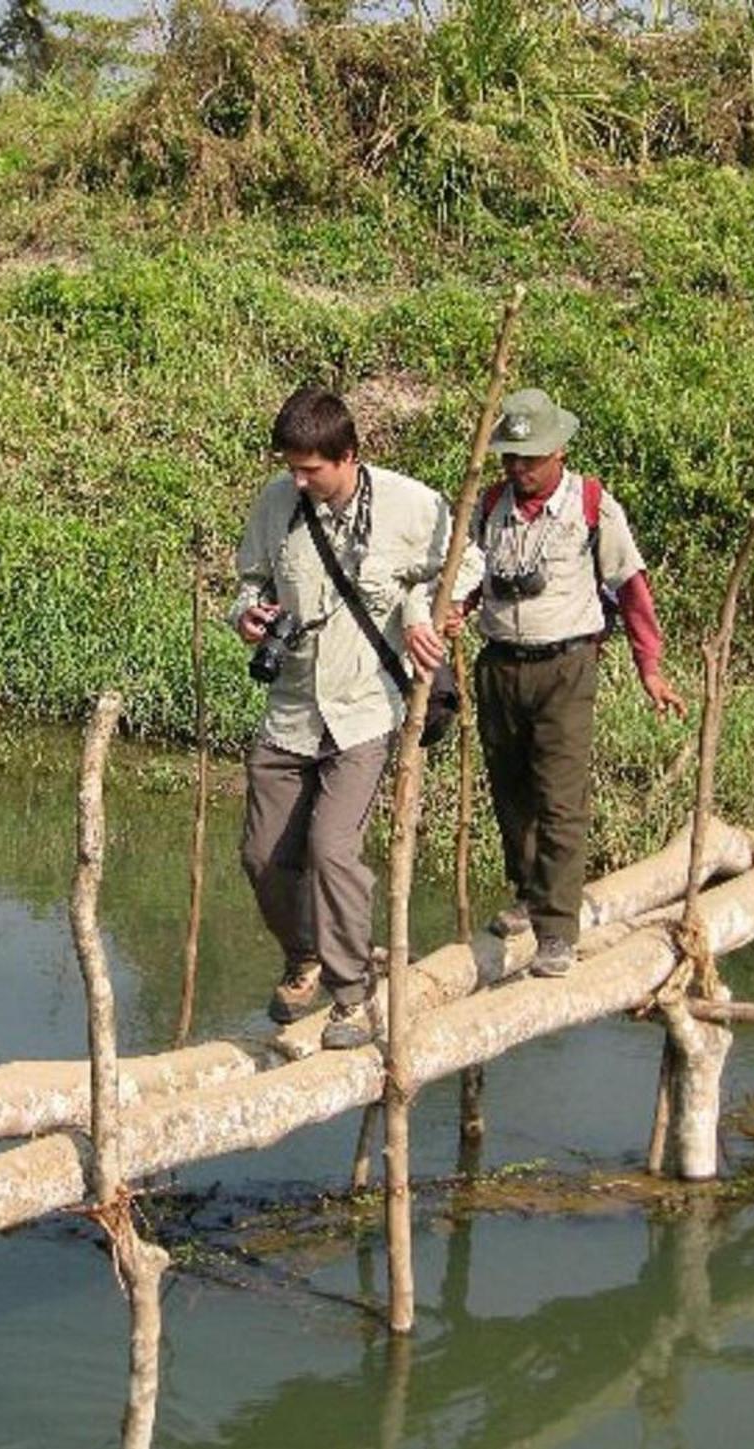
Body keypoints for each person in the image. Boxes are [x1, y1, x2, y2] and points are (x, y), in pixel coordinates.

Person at [232, 388, 481, 1050]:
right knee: (262, 856)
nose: (298, 480)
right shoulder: (276, 504)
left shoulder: (411, 504)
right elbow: (250, 584)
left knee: (333, 848)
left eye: (311, 469)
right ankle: (304, 956)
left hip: (366, 710)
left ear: (348, 456)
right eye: (291, 466)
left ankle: (351, 994)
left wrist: (428, 612)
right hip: (290, 708)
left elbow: (465, 565)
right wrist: (248, 617)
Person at [447, 389, 686, 978]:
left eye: (529, 459)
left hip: (566, 668)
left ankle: (558, 929)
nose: (519, 469)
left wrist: (649, 667)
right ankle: (529, 893)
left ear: (558, 451)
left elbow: (631, 590)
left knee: (560, 797)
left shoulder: (592, 506)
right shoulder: (491, 505)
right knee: (510, 795)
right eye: (510, 458)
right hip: (499, 665)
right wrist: (455, 608)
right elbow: (472, 577)